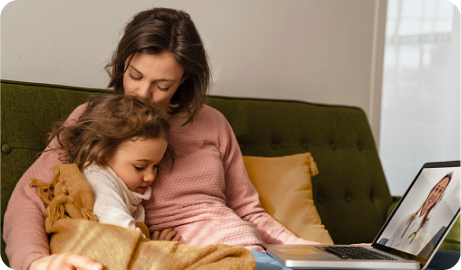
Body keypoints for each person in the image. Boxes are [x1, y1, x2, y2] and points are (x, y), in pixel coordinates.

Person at [3, 6, 461, 270]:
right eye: (135, 76)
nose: (144, 93)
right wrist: (33, 262)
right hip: (203, 259)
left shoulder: (213, 124)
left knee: (434, 264)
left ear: (185, 81)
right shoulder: (94, 120)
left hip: (255, 250)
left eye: (162, 86)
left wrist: (318, 253)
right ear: (122, 64)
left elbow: (248, 209)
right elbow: (30, 197)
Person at [44, 93, 179, 240]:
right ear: (103, 155)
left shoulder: (121, 183)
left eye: (155, 166)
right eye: (140, 167)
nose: (151, 176)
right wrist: (156, 250)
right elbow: (121, 232)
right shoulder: (98, 179)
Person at [387, 172, 452, 255]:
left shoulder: (429, 226)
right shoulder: (409, 217)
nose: (435, 194)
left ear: (440, 198)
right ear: (431, 190)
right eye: (436, 189)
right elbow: (391, 239)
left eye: (440, 191)